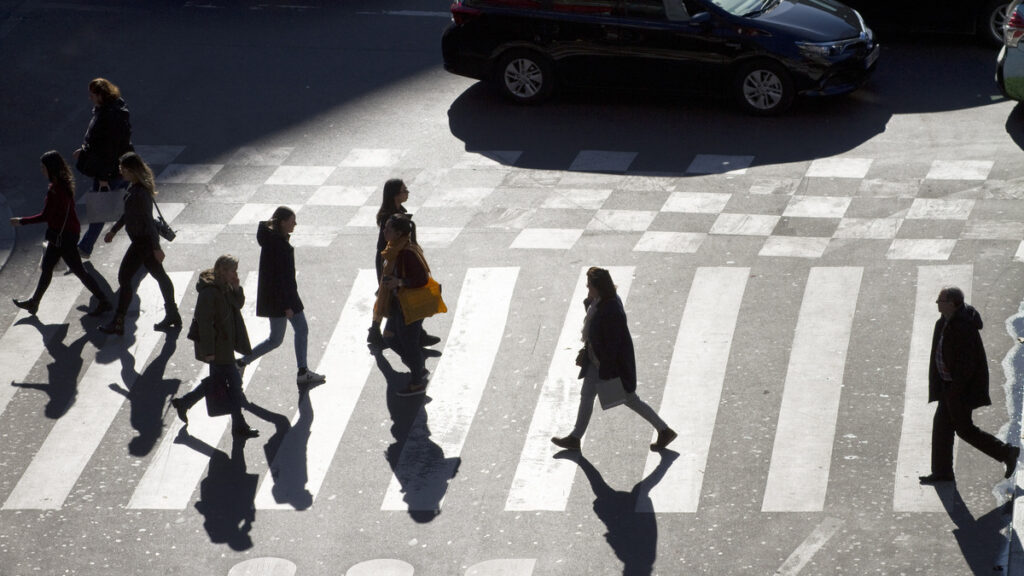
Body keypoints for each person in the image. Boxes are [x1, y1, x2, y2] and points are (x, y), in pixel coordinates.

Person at [551, 267, 677, 453]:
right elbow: (595, 330)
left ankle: (664, 430)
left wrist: (607, 374)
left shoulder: (611, 310)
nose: (587, 288)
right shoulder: (600, 302)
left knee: (630, 400)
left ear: (599, 287)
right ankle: (575, 437)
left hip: (608, 367)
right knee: (586, 396)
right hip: (597, 363)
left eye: (590, 286)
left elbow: (611, 345)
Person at [918, 286, 1019, 484]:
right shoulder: (945, 321)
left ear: (952, 303)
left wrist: (954, 391)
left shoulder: (963, 327)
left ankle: (1006, 452)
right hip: (949, 386)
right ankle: (942, 472)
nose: (937, 303)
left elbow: (967, 366)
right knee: (942, 429)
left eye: (941, 300)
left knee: (964, 429)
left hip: (960, 389)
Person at [10, 151, 111, 316]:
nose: (42, 170)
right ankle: (34, 302)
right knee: (48, 267)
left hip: (64, 237)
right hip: (63, 234)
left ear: (51, 168)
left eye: (43, 167)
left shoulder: (56, 190)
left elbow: (46, 216)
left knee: (78, 271)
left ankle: (104, 300)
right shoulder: (62, 185)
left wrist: (22, 221)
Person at [235, 206, 326, 388]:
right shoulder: (279, 245)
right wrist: (287, 305)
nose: (295, 224)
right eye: (292, 221)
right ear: (283, 222)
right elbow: (281, 278)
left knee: (276, 339)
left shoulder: (272, 240)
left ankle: (242, 362)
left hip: (275, 299)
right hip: (284, 300)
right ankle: (302, 372)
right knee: (300, 330)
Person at [170, 255, 259, 438]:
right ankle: (239, 427)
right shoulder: (209, 292)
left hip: (225, 344)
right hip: (217, 347)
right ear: (222, 271)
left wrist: (236, 287)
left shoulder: (225, 285)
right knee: (234, 385)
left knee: (219, 382)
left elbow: (238, 305)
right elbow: (204, 323)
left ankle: (185, 403)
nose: (235, 273)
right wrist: (209, 351)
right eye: (233, 270)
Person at [98, 152, 180, 335]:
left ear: (131, 170)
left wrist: (156, 248)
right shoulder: (134, 187)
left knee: (124, 277)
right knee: (160, 276)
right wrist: (114, 230)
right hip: (142, 241)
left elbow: (148, 222)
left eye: (123, 170)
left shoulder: (140, 192)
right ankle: (173, 314)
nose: (121, 173)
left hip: (143, 243)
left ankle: (118, 322)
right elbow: (128, 214)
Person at [367, 178, 439, 351]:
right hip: (390, 261)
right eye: (404, 190)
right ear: (395, 195)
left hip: (394, 259)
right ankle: (384, 332)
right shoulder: (389, 218)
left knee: (387, 295)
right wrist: (387, 266)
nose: (407, 193)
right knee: (390, 296)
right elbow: (382, 246)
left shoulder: (398, 211)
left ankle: (378, 331)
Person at [73, 77, 133, 259]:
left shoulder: (108, 116)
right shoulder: (115, 110)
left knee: (99, 210)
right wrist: (84, 152)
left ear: (101, 95)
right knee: (128, 206)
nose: (90, 98)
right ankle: (146, 238)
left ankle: (84, 247)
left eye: (92, 95)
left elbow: (107, 149)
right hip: (121, 167)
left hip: (109, 171)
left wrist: (103, 175)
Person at [373, 214, 432, 396]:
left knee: (409, 344)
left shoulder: (406, 252)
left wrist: (399, 282)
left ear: (398, 233)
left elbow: (422, 279)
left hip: (409, 306)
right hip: (397, 304)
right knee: (390, 337)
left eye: (388, 229)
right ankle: (418, 368)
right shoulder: (394, 249)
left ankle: (417, 382)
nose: (384, 232)